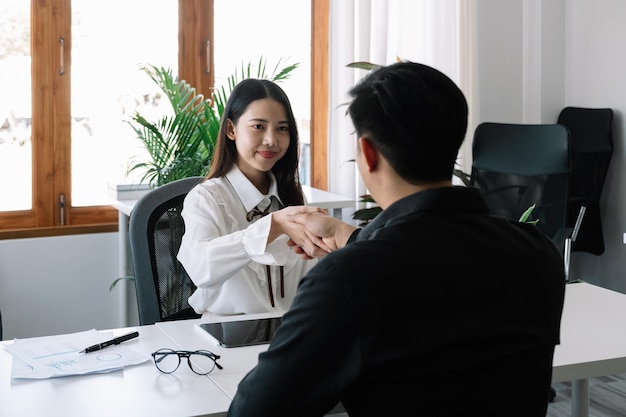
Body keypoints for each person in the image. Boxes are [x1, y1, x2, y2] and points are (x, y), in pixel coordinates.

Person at [227, 62, 566, 416]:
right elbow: (435, 264)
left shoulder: (348, 280)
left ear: (368, 153)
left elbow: (255, 411)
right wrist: (353, 237)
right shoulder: (538, 253)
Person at [177, 78, 327, 317]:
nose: (271, 140)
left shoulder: (293, 198)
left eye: (282, 128)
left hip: (287, 334)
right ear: (231, 130)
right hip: (224, 336)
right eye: (258, 126)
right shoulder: (207, 198)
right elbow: (200, 268)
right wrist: (273, 226)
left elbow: (309, 285)